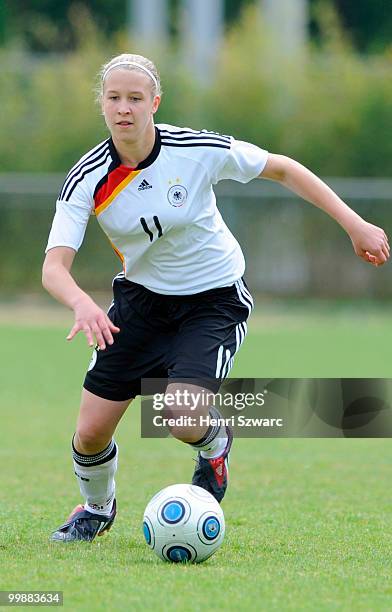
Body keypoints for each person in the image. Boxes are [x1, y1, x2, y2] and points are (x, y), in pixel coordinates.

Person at [42, 53, 389, 542]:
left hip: (214, 300)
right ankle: (96, 510)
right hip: (140, 305)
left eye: (136, 98)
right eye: (114, 98)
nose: (125, 108)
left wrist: (354, 224)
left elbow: (283, 169)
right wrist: (81, 302)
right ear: (102, 104)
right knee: (90, 434)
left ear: (155, 103)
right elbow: (53, 268)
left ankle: (216, 445)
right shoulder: (88, 179)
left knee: (181, 416)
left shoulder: (195, 148)